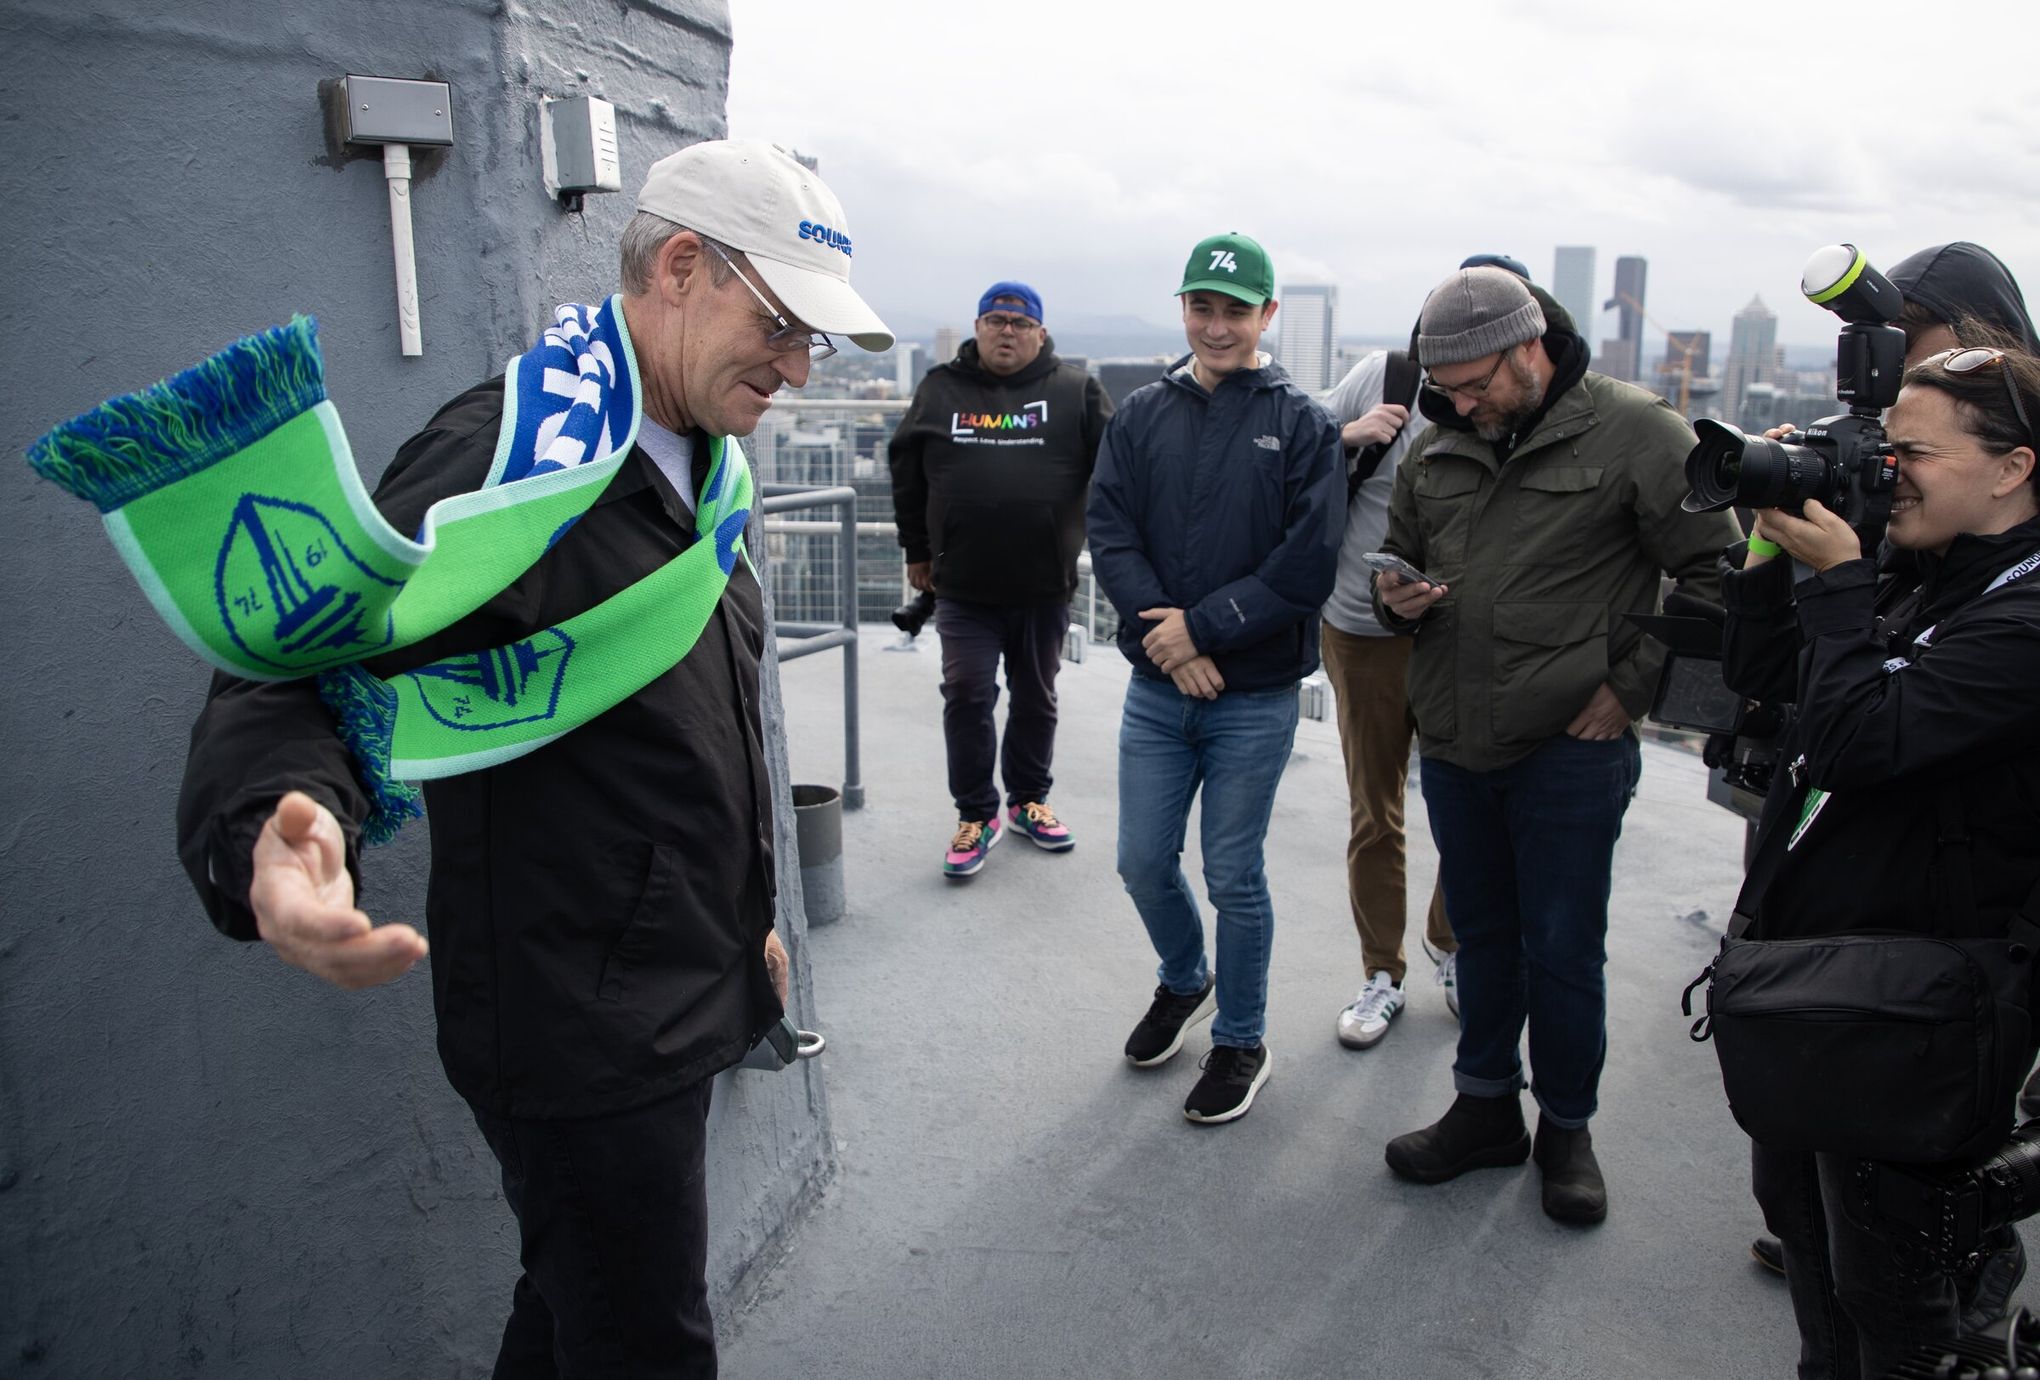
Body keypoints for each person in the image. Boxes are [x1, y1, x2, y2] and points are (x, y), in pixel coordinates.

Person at [175, 140, 892, 1378]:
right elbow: (292, 662)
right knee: (644, 1344)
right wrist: (273, 828)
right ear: (681, 267)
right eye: (782, 327)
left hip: (666, 984)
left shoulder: (697, 458)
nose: (795, 368)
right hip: (582, 1029)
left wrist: (746, 924)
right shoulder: (514, 460)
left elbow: (692, 736)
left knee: (569, 1315)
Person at [1373, 265, 1739, 1221]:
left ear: (1531, 347)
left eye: (1477, 384)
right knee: (1485, 942)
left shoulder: (1640, 432)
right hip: (1455, 736)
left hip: (1571, 747)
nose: (1459, 404)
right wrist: (1395, 595)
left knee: (1567, 948)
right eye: (1444, 390)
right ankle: (1485, 1108)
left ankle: (1567, 1129)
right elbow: (1404, 560)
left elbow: (1718, 574)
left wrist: (1632, 694)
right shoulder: (1438, 439)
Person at [1725, 344, 2040, 1379]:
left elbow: (1866, 741)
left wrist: (1843, 580)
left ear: (2011, 468)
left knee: (1894, 1304)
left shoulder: (2024, 617)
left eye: (1913, 453)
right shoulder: (1923, 568)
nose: (1888, 471)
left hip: (1917, 1016)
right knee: (1811, 1257)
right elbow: (1768, 685)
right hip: (1822, 982)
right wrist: (1777, 555)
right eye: (1882, 448)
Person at [1087, 231, 1341, 1125]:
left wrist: (1203, 629)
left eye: (1236, 309)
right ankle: (1185, 979)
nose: (1218, 325)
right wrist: (1174, 644)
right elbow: (1110, 532)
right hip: (1159, 691)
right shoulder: (1142, 413)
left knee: (1234, 872)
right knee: (1141, 860)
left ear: (1268, 315)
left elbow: (1307, 565)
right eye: (1203, 306)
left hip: (1256, 697)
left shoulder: (1303, 425)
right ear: (1182, 308)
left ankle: (1242, 1037)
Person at [1319, 254, 1555, 1051]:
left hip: (1463, 638)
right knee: (1374, 810)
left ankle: (1449, 944)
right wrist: (1345, 434)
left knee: (1471, 806)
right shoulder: (1382, 377)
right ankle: (1381, 970)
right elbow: (1289, 443)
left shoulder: (1532, 404)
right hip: (1361, 628)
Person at [887, 281, 1112, 878]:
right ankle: (976, 813)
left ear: (1040, 332)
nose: (1006, 330)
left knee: (1036, 697)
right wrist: (916, 547)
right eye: (995, 320)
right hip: (961, 584)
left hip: (1043, 583)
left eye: (1019, 322)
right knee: (966, 694)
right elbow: (905, 469)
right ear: (978, 327)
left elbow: (1120, 464)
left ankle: (1029, 801)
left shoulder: (1074, 390)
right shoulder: (941, 389)